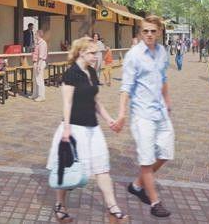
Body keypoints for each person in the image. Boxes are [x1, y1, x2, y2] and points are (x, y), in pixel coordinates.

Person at [46, 37, 127, 223]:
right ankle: (60, 205)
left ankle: (112, 207)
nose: (96, 55)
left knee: (102, 168)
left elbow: (95, 101)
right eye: (92, 52)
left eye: (96, 52)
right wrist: (66, 129)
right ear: (81, 52)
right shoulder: (71, 73)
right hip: (74, 128)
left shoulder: (91, 71)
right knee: (67, 170)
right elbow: (67, 103)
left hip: (93, 128)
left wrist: (109, 120)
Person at [114, 15, 173, 218]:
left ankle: (137, 184)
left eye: (152, 31)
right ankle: (155, 201)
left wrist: (168, 101)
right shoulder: (133, 55)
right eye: (145, 31)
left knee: (165, 153)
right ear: (140, 32)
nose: (149, 34)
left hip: (161, 112)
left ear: (159, 32)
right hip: (142, 115)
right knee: (146, 160)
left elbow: (163, 78)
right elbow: (126, 87)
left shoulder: (162, 52)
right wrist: (121, 114)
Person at [32, 29, 48, 102]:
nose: (35, 35)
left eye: (35, 34)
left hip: (40, 63)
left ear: (38, 35)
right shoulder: (37, 43)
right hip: (36, 62)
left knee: (39, 80)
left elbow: (41, 55)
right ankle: (35, 94)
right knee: (35, 80)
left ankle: (41, 96)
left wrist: (39, 65)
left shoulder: (42, 43)